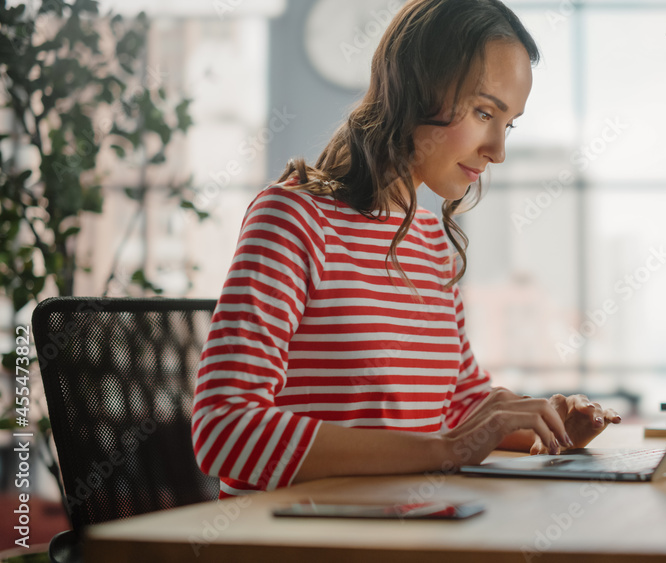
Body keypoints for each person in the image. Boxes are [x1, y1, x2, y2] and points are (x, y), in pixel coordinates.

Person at [192, 0, 620, 498]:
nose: (497, 150)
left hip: (402, 525)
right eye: (485, 112)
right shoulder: (292, 218)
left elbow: (457, 405)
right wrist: (443, 451)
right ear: (414, 90)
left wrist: (552, 426)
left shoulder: (430, 243)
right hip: (300, 538)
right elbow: (224, 430)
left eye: (509, 124)